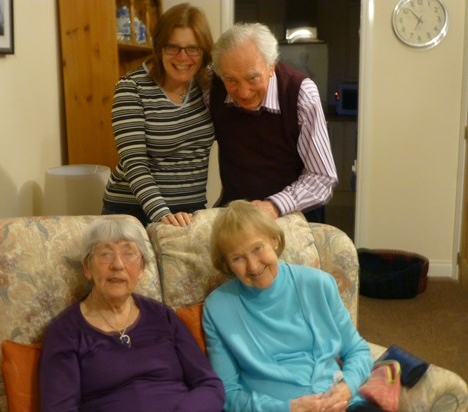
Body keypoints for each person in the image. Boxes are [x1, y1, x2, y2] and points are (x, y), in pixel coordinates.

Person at [203, 200, 379, 411]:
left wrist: (347, 387)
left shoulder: (318, 284)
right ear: (227, 264)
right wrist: (287, 408)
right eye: (237, 258)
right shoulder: (218, 308)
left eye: (257, 248)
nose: (253, 265)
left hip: (340, 403)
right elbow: (227, 392)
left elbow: (357, 350)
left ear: (275, 241)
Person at [39, 217, 225, 411]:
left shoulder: (163, 316)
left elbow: (209, 385)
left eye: (129, 253)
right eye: (105, 254)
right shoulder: (65, 332)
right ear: (87, 268)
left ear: (142, 268)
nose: (118, 265)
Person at [210, 23, 338, 223]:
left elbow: (322, 177)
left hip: (295, 216)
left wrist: (274, 206)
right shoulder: (212, 89)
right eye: (232, 81)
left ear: (271, 67)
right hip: (237, 216)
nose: (243, 92)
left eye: (252, 78)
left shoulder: (301, 93)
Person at [103, 3, 215, 227]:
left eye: (193, 48)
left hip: (191, 211)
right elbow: (134, 163)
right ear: (159, 48)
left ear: (204, 51)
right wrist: (162, 215)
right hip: (135, 210)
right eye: (173, 47)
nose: (183, 57)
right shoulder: (131, 88)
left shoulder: (208, 85)